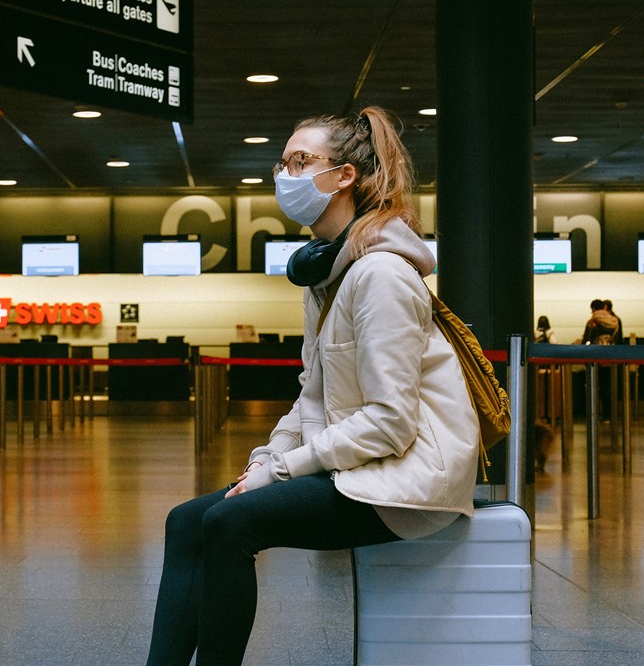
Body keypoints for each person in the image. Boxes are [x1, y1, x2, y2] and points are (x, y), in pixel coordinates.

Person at [145, 107, 480, 666]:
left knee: (230, 523)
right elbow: (313, 396)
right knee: (187, 521)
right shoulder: (329, 277)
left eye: (301, 162)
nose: (285, 176)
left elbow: (392, 421)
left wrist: (282, 472)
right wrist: (266, 459)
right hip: (357, 468)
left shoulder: (380, 275)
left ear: (345, 175)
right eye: (282, 164)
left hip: (404, 483)